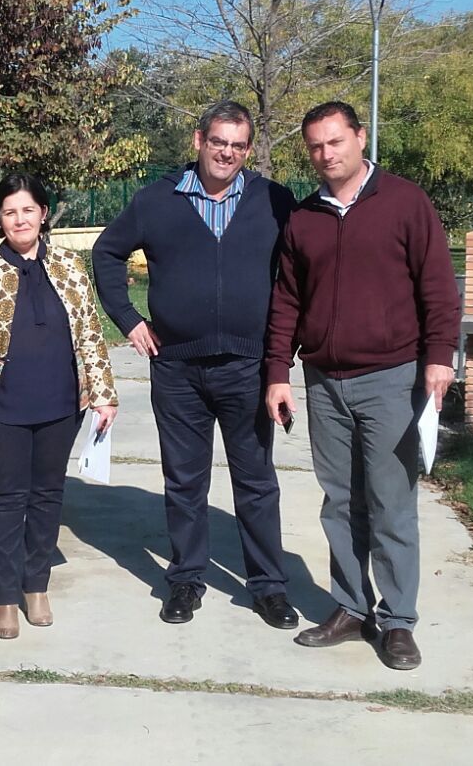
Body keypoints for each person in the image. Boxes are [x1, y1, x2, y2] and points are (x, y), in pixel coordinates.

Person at [263, 101, 460, 671]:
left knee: (391, 503)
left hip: (392, 379)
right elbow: (287, 304)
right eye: (316, 147)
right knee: (341, 503)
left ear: (360, 136)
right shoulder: (304, 219)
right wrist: (279, 372)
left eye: (335, 142)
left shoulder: (405, 202)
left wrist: (439, 358)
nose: (326, 155)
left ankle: (398, 622)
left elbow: (439, 287)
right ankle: (351, 608)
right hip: (325, 382)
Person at [91, 100, 299, 630]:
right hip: (177, 369)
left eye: (237, 144)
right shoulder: (156, 201)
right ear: (198, 140)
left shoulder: (273, 200)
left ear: (247, 150)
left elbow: (300, 270)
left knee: (256, 482)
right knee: (185, 481)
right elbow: (107, 253)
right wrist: (128, 319)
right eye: (217, 141)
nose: (226, 151)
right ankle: (186, 579)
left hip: (246, 368)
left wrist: (285, 347)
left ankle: (269, 587)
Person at [0, 174, 119, 639]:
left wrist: (103, 393)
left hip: (61, 402)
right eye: (9, 212)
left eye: (27, 210)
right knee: (6, 500)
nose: (19, 219)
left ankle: (36, 584)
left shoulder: (68, 265)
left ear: (43, 213)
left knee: (47, 496)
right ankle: (4, 595)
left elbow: (89, 332)